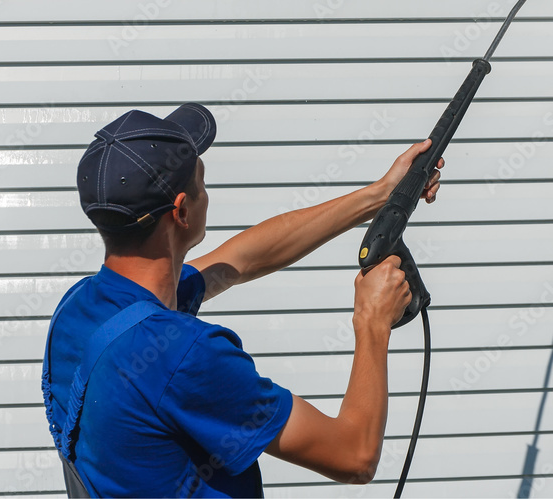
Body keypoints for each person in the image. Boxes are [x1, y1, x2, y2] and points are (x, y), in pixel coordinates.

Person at [41, 102, 443, 498]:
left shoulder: (79, 309)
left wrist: (380, 195)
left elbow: (241, 258)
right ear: (181, 213)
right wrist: (372, 320)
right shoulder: (186, 356)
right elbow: (354, 455)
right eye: (201, 182)